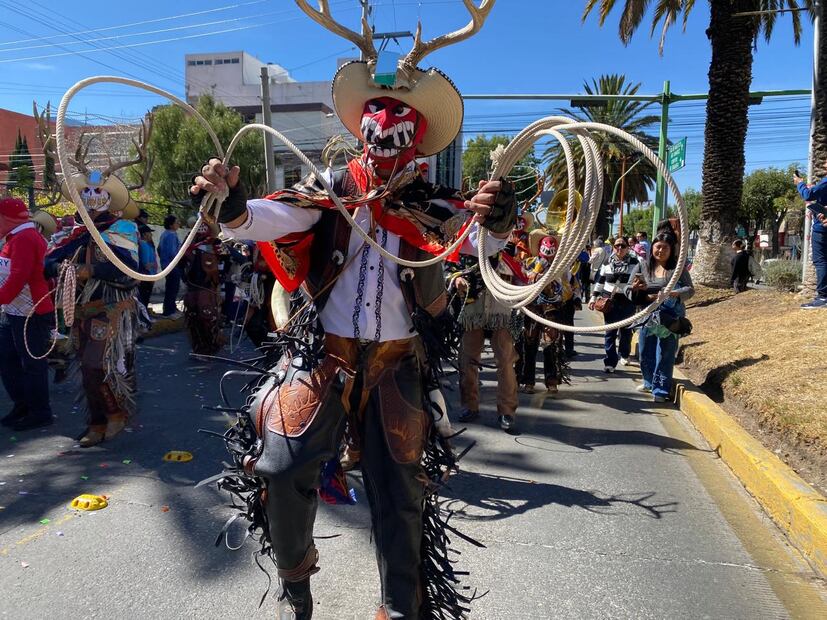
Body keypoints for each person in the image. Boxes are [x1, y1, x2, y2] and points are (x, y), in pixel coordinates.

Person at [190, 6, 510, 616]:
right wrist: (232, 204)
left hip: (395, 364)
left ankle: (399, 609)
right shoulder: (330, 191)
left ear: (417, 133)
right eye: (379, 112)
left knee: (401, 501)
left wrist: (497, 219)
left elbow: (478, 243)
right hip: (325, 355)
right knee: (280, 466)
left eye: (401, 116)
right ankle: (297, 584)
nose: (388, 122)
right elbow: (263, 219)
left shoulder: (434, 205)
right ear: (363, 123)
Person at [45, 172, 141, 447]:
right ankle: (97, 422)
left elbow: (131, 272)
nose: (91, 197)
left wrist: (91, 270)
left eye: (98, 191)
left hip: (111, 309)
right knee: (87, 369)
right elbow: (47, 263)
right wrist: (63, 268)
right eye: (86, 191)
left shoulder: (122, 230)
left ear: (108, 198)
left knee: (95, 364)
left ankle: (115, 414)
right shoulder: (73, 234)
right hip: (81, 311)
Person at [0, 197, 55, 431]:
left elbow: (18, 277)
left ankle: (40, 411)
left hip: (30, 311)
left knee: (32, 364)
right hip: (15, 311)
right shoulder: (16, 237)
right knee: (8, 360)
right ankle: (23, 405)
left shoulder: (24, 238)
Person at [451, 249, 519, 431]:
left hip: (502, 313)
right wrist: (456, 279)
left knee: (505, 361)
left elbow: (523, 280)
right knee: (466, 360)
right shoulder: (466, 249)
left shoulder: (510, 256)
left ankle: (507, 411)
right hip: (472, 313)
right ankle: (469, 406)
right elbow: (449, 268)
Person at [633, 231, 695, 402]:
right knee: (645, 350)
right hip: (648, 315)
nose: (660, 251)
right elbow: (628, 288)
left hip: (670, 317)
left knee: (666, 353)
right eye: (658, 247)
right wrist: (635, 289)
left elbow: (690, 289)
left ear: (671, 250)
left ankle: (660, 389)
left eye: (665, 248)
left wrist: (674, 293)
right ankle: (648, 381)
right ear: (652, 247)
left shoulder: (678, 269)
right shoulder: (642, 266)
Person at [589, 237, 640, 373]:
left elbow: (639, 280)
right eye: (617, 245)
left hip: (627, 300)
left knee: (626, 330)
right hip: (609, 301)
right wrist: (593, 297)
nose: (619, 248)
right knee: (610, 332)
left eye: (623, 246)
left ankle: (624, 354)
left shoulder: (635, 263)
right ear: (613, 247)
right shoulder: (606, 263)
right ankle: (610, 362)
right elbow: (600, 281)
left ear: (628, 248)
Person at [180, 219, 224, 355]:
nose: (200, 229)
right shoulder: (188, 242)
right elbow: (180, 260)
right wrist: (184, 276)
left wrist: (219, 279)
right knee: (193, 316)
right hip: (193, 284)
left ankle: (211, 345)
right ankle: (198, 346)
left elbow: (224, 259)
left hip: (207, 285)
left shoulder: (215, 243)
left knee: (207, 315)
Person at [794, 170, 827, 308]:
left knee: (820, 261)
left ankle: (823, 297)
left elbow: (808, 195)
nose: (825, 164)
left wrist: (800, 184)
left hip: (822, 229)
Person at [158, 215, 182, 317]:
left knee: (170, 287)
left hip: (165, 264)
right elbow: (173, 253)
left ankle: (170, 308)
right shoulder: (172, 235)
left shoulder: (164, 234)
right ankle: (169, 311)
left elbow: (159, 249)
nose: (178, 224)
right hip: (172, 265)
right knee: (173, 288)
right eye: (176, 222)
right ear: (171, 224)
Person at [135, 209, 157, 308]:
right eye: (149, 233)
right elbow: (146, 264)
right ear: (144, 234)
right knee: (144, 298)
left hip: (148, 275)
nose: (151, 235)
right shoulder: (144, 245)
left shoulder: (146, 244)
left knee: (144, 298)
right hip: (146, 275)